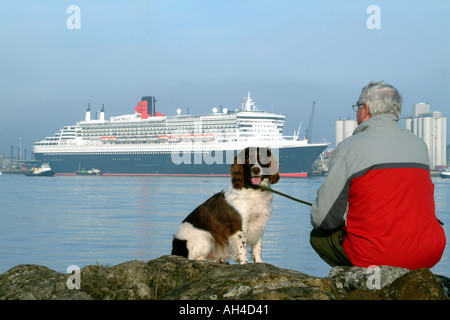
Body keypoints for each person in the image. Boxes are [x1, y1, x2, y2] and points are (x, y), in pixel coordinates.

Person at [310, 81, 446, 269]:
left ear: (365, 110)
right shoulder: (419, 145)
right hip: (429, 252)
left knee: (318, 237)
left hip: (375, 256)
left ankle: (361, 282)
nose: (357, 112)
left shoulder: (349, 148)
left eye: (357, 107)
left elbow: (323, 220)